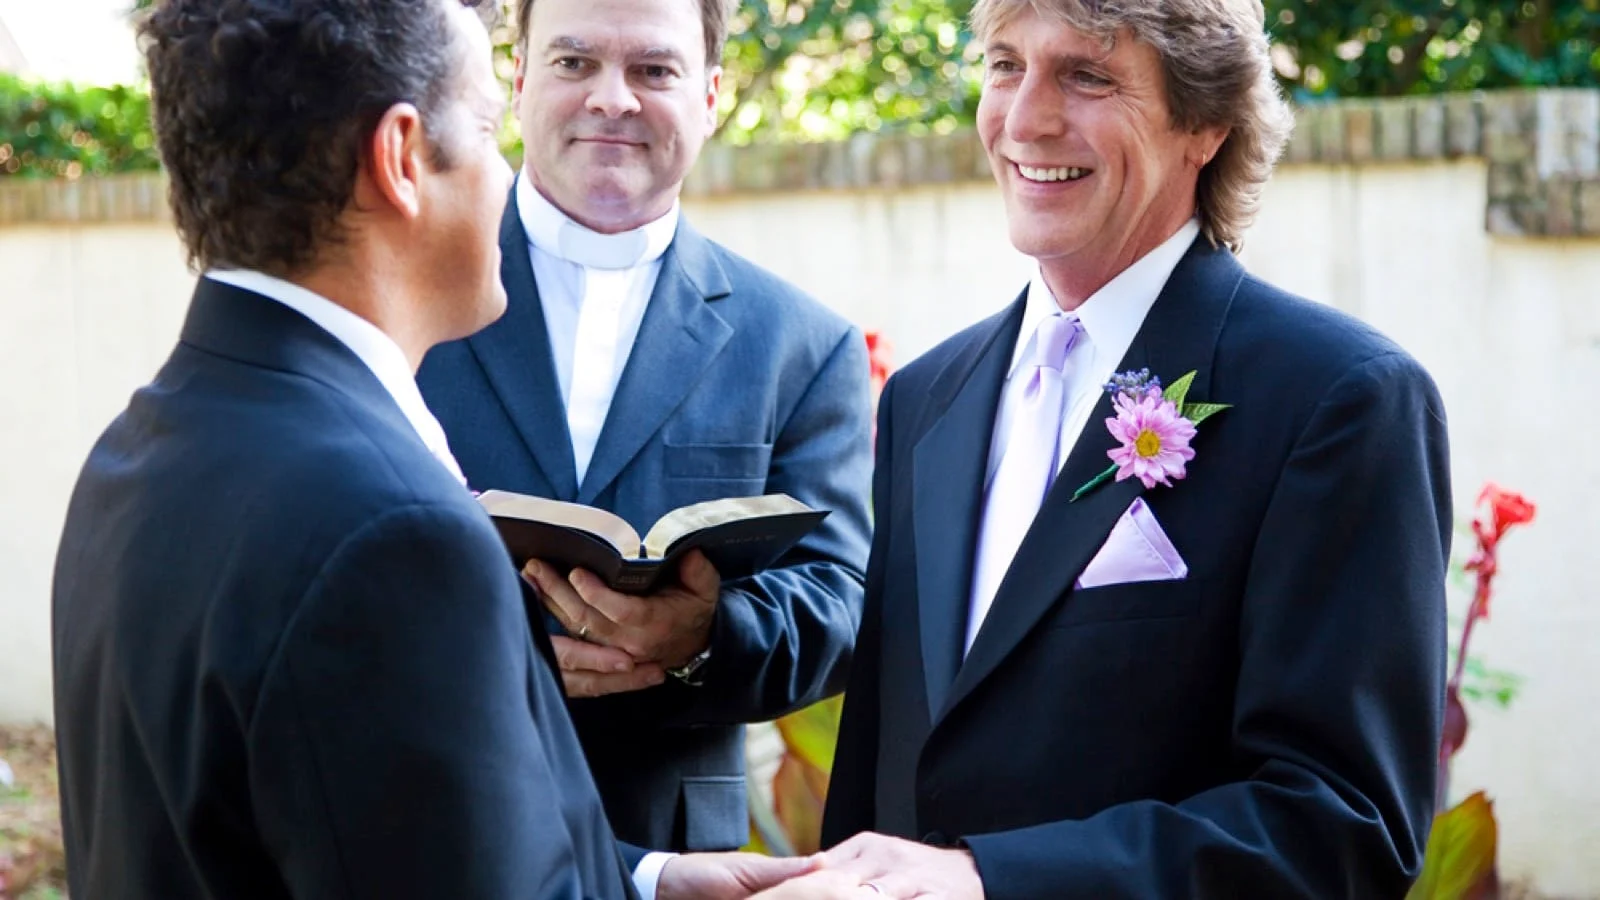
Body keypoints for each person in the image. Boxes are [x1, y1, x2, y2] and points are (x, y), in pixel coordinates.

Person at [49, 1, 829, 897]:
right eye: (492, 128)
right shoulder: (392, 532)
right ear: (403, 158)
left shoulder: (139, 450)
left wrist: (649, 881)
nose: (507, 178)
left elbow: (364, 837)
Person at [818, 0, 1452, 896]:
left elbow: (1341, 826)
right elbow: (881, 780)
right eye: (1005, 64)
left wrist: (988, 881)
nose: (1025, 117)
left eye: (1086, 75)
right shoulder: (928, 398)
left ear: (1206, 122)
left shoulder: (1339, 399)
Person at [416, 0, 872, 856]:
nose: (612, 99)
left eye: (654, 70)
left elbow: (841, 598)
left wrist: (703, 637)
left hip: (671, 841)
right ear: (519, 82)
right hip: (431, 823)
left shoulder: (803, 346)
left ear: (709, 95)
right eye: (574, 63)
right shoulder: (404, 295)